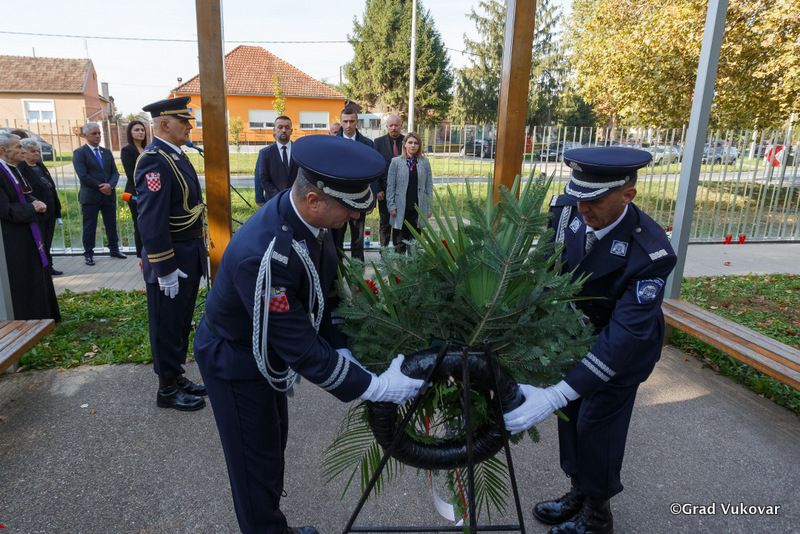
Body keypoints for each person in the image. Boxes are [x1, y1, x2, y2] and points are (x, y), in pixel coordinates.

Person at [194, 135, 424, 534]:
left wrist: (342, 347)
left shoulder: (312, 221)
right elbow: (299, 346)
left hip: (264, 350)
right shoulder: (264, 255)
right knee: (253, 461)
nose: (355, 217)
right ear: (314, 199)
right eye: (349, 209)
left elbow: (327, 292)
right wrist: (375, 388)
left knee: (272, 444)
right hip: (235, 359)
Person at [503, 147, 677, 534]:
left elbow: (624, 334)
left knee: (598, 425)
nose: (583, 208)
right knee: (572, 419)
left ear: (627, 195)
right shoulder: (569, 212)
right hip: (575, 336)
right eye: (578, 196)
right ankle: (579, 492)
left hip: (622, 349)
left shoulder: (651, 252)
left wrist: (556, 393)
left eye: (595, 200)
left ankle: (598, 514)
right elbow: (547, 269)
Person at [135, 97, 208, 411]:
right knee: (166, 324)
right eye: (184, 121)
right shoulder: (155, 161)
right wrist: (164, 267)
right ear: (164, 124)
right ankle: (166, 388)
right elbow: (151, 220)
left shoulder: (176, 156)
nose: (190, 126)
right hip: (171, 258)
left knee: (179, 321)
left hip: (188, 253)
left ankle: (176, 376)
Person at [0, 133, 60, 321]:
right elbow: (4, 209)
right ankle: (30, 319)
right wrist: (31, 208)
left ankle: (44, 316)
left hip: (28, 231)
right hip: (13, 238)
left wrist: (36, 202)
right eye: (18, 147)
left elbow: (24, 194)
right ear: (3, 150)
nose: (23, 151)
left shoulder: (13, 169)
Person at [72, 122, 125, 265]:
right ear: (85, 135)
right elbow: (83, 175)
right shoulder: (79, 153)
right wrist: (101, 186)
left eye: (99, 133)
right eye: (94, 134)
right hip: (91, 196)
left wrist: (110, 185)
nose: (97, 136)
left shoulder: (106, 152)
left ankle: (114, 249)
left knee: (111, 224)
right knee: (90, 226)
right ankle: (88, 254)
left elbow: (115, 172)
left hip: (108, 195)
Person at [333, 108, 375, 261]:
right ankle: (337, 270)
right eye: (345, 121)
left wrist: (371, 201)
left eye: (351, 121)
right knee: (337, 237)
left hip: (359, 197)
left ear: (357, 122)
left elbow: (373, 173)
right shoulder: (332, 143)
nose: (348, 125)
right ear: (341, 122)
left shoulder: (367, 144)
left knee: (358, 238)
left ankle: (358, 270)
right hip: (337, 198)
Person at [20, 137, 63, 276]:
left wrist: (56, 208)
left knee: (47, 240)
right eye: (33, 151)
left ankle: (49, 266)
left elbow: (50, 185)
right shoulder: (22, 168)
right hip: (37, 211)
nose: (37, 154)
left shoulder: (39, 165)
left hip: (49, 210)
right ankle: (42, 269)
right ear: (24, 152)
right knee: (40, 241)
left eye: (37, 151)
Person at [385, 132, 433, 254]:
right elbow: (390, 186)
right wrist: (391, 206)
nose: (413, 145)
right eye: (410, 142)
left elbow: (428, 186)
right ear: (404, 144)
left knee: (414, 244)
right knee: (399, 242)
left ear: (419, 146)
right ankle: (400, 265)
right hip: (400, 208)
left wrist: (429, 207)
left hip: (417, 208)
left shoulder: (424, 162)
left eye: (416, 143)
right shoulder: (396, 162)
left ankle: (413, 265)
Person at [373, 114, 404, 247]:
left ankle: (399, 253)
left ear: (401, 126)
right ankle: (384, 253)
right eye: (391, 125)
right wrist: (378, 189)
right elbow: (375, 167)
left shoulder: (407, 141)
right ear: (386, 127)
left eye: (396, 125)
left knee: (399, 223)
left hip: (403, 191)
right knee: (385, 223)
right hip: (384, 191)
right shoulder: (378, 142)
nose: (393, 128)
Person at [255, 116, 299, 206]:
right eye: (280, 127)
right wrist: (279, 197)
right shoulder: (265, 153)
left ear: (291, 131)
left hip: (296, 201)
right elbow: (263, 178)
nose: (284, 130)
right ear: (274, 130)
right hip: (273, 201)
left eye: (287, 127)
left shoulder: (299, 151)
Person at [120, 120, 148, 258]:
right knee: (139, 224)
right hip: (135, 193)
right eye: (136, 130)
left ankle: (150, 254)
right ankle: (142, 256)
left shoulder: (148, 149)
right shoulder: (127, 150)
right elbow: (131, 175)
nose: (140, 132)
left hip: (149, 191)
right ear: (130, 133)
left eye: (142, 130)